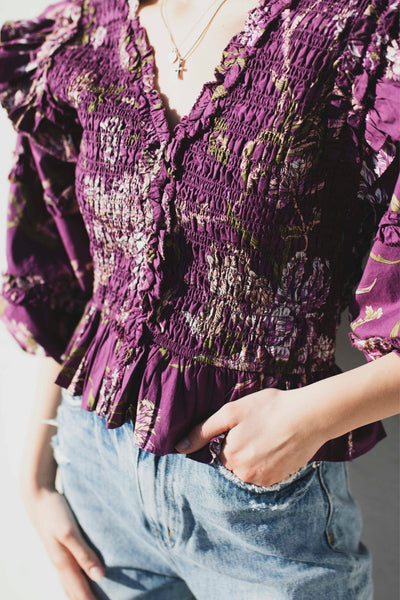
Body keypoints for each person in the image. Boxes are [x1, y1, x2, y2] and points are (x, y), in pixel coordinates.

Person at [0, 0, 399, 598]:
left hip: (258, 512)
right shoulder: (91, 27)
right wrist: (33, 476)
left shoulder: (356, 31)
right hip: (98, 484)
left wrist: (308, 417)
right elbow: (78, 286)